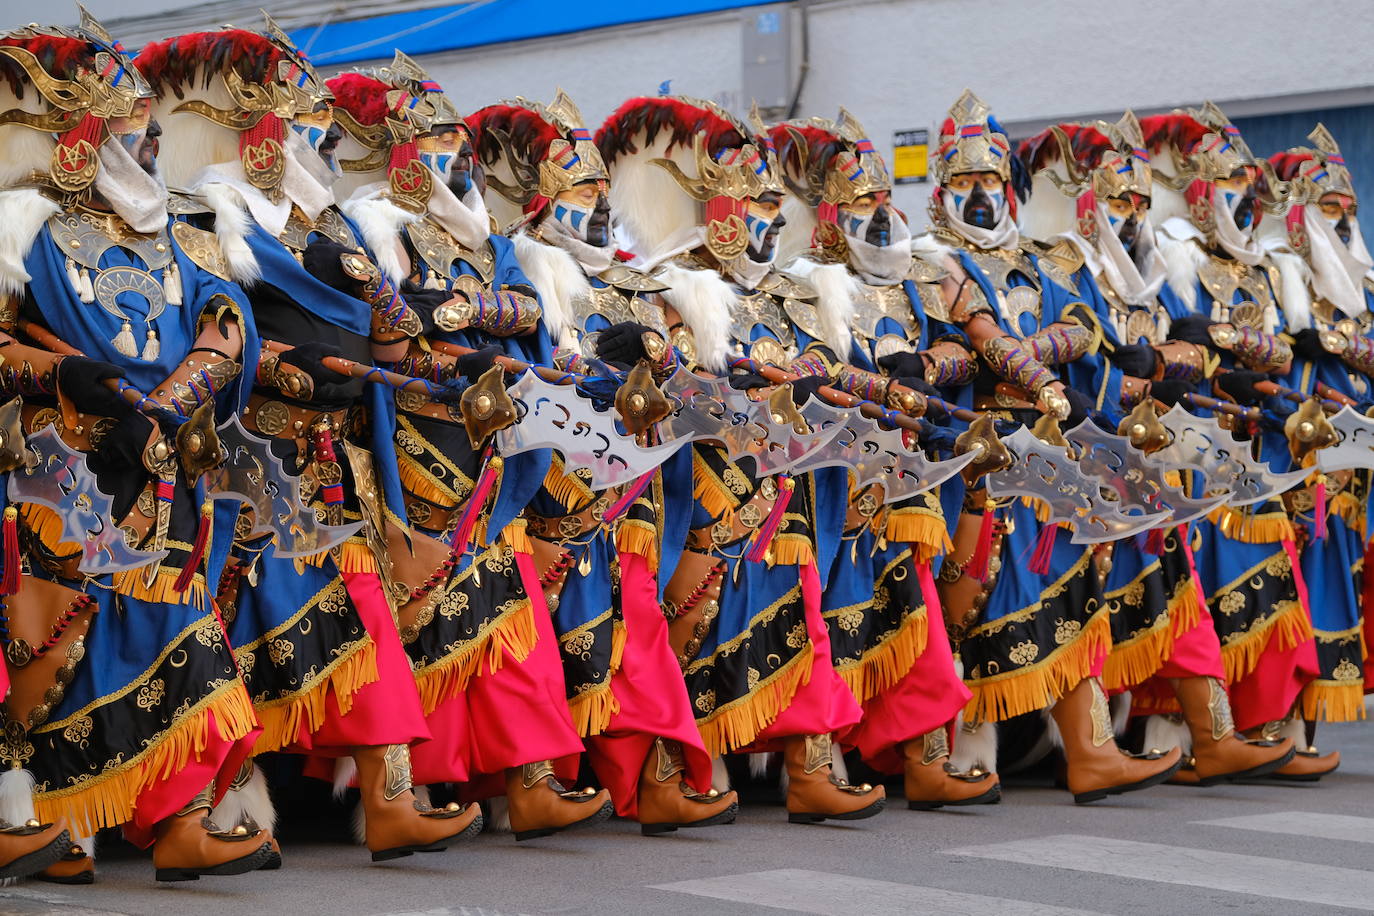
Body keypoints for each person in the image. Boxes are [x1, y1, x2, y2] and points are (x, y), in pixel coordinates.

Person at [137, 20, 483, 862]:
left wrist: (393, 327)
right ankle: (216, 803)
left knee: (366, 622)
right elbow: (209, 336)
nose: (290, 138)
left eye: (293, 123)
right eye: (274, 121)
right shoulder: (190, 220)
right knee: (220, 638)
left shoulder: (322, 223)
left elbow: (389, 330)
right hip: (245, 463)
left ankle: (392, 800)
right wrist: (287, 369)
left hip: (340, 457)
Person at [0, 11, 273, 881]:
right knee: (50, 649)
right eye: (133, 135)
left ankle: (180, 820)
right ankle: (43, 817)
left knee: (181, 634)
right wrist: (62, 381)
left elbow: (225, 317)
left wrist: (168, 402)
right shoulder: (19, 226)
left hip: (164, 460)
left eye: (151, 134)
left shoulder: (173, 230)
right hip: (57, 470)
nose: (153, 147)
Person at [328, 58, 614, 840]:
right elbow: (396, 328)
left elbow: (524, 308)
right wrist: (465, 319)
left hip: (498, 440)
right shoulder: (373, 226)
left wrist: (464, 308)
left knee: (502, 613)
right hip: (420, 436)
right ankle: (409, 789)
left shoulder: (484, 234)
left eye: (457, 137)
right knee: (420, 615)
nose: (451, 152)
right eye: (434, 138)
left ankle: (529, 781)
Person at [596, 95, 885, 823]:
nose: (760, 217)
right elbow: (634, 387)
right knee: (685, 624)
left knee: (803, 620)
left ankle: (811, 769)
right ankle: (670, 774)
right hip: (694, 486)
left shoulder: (787, 291)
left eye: (765, 204)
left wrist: (869, 387)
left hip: (781, 483)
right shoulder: (653, 289)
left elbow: (826, 370)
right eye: (746, 203)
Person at [467, 89, 739, 834]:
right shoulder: (515, 269)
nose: (592, 200)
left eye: (597, 188)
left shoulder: (632, 278)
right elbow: (518, 371)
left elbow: (669, 376)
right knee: (534, 640)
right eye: (576, 187)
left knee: (634, 636)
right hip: (546, 489)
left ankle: (652, 781)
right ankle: (526, 783)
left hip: (631, 491)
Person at [912, 90, 1182, 803]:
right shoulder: (929, 266)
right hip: (976, 456)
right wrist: (1006, 361)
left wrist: (1032, 351)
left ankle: (1091, 752)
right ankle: (958, 755)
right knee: (966, 601)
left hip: (1052, 455)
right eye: (964, 183)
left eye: (990, 183)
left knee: (1072, 593)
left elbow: (1087, 334)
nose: (978, 197)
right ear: (942, 191)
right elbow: (937, 358)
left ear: (1012, 190)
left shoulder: (1046, 261)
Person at [1015, 113, 1294, 784]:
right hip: (1074, 458)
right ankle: (1081, 751)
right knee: (1070, 606)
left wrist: (1168, 358)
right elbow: (1067, 359)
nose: (1131, 213)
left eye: (1139, 201)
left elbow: (1194, 348)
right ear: (1085, 203)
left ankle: (1210, 735)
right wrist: (1129, 374)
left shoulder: (1143, 272)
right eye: (1117, 200)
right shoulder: (1061, 266)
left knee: (1172, 595)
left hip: (1143, 456)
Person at [767, 108, 1000, 808]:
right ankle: (815, 764)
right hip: (835, 475)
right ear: (827, 215)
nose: (878, 211)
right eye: (860, 201)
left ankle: (927, 760)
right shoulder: (800, 283)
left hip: (910, 472)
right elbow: (805, 366)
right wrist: (880, 382)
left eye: (880, 199)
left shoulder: (913, 276)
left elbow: (963, 348)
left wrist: (927, 363)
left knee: (915, 612)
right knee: (831, 615)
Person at [1140, 104, 1331, 779]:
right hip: (1194, 445)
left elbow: (1275, 348)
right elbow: (1174, 345)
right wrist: (1223, 345)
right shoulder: (1169, 244)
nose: (1232, 200)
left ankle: (1264, 726)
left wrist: (1225, 340)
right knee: (1195, 592)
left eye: (1236, 188)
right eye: (1219, 187)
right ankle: (1179, 738)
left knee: (1269, 588)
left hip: (1252, 444)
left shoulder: (1244, 263)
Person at [1262, 124, 1374, 768]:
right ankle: (1275, 727)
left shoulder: (1360, 285)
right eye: (1327, 208)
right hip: (1294, 451)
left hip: (1350, 462)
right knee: (1289, 586)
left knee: (1333, 580)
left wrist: (1334, 345)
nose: (1340, 219)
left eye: (1347, 210)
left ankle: (1305, 732)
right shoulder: (1278, 273)